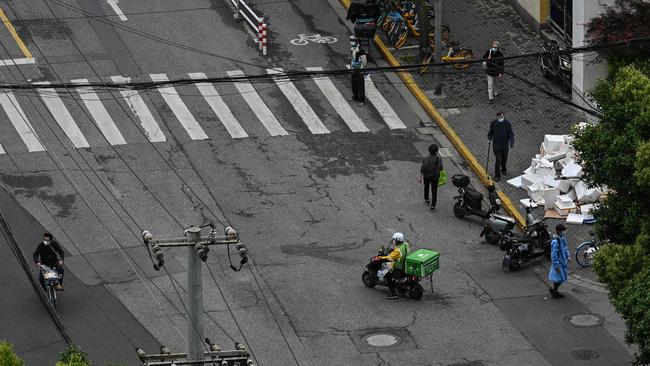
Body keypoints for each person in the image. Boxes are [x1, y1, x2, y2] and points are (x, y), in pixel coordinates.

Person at [380, 232, 411, 300]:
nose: (393, 241)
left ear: (397, 240)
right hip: (406, 265)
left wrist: (380, 258)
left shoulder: (398, 251)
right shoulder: (406, 244)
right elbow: (400, 251)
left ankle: (393, 294)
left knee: (387, 276)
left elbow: (389, 258)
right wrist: (393, 250)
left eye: (394, 240)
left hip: (399, 269)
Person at [487, 111, 514, 182]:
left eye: (501, 117)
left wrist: (511, 142)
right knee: (498, 160)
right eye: (499, 117)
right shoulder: (493, 123)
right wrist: (489, 138)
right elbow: (491, 132)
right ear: (497, 117)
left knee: (504, 159)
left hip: (505, 146)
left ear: (503, 116)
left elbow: (511, 134)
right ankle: (497, 176)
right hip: (496, 146)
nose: (500, 118)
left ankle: (504, 169)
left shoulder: (508, 124)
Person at [548, 223, 570, 299]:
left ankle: (554, 290)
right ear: (559, 231)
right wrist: (556, 265)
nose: (564, 232)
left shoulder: (562, 239)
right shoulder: (555, 242)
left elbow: (565, 248)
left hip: (563, 262)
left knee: (560, 278)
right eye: (563, 230)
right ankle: (553, 289)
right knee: (560, 278)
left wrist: (568, 256)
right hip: (559, 264)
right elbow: (554, 255)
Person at [419, 143, 443, 211]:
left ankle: (426, 199)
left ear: (429, 150)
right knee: (434, 191)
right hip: (435, 177)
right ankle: (433, 206)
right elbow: (441, 168)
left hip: (426, 176)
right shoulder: (439, 159)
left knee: (426, 187)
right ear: (437, 151)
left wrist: (420, 177)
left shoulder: (426, 159)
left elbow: (423, 168)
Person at [350, 36, 367, 106]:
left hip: (359, 69)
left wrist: (362, 68)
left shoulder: (361, 50)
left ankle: (361, 100)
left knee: (360, 85)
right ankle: (355, 96)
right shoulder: (352, 49)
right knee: (353, 83)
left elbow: (364, 61)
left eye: (353, 41)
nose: (352, 42)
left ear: (357, 42)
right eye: (351, 40)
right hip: (353, 68)